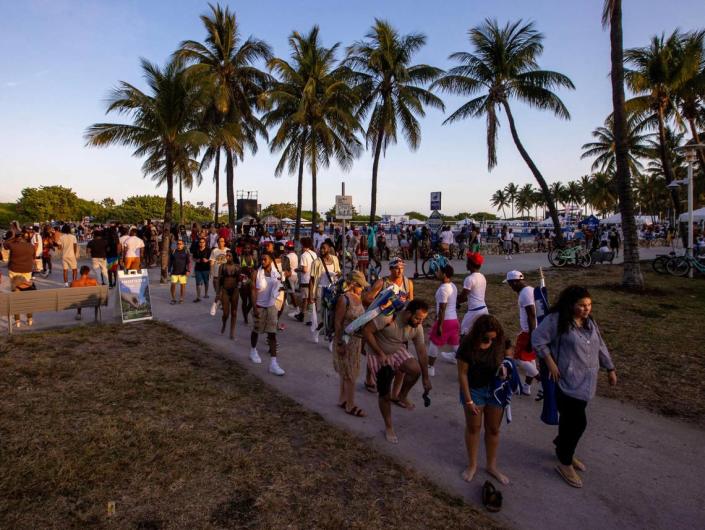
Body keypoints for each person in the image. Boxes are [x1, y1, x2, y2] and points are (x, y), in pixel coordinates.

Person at [532, 285, 617, 489]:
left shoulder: (590, 322)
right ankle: (565, 461)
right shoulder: (557, 320)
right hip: (565, 381)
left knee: (572, 422)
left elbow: (600, 345)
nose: (586, 309)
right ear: (571, 305)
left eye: (589, 305)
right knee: (578, 422)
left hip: (587, 381)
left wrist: (610, 368)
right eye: (581, 305)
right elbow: (537, 340)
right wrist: (550, 362)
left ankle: (563, 446)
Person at [362, 299, 432, 444]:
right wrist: (380, 353)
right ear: (407, 313)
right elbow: (367, 331)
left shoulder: (416, 327)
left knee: (415, 370)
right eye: (418, 318)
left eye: (422, 319)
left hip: (396, 350)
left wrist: (426, 378)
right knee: (384, 392)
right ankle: (388, 426)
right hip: (377, 352)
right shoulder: (388, 317)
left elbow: (422, 352)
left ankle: (401, 396)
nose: (420, 322)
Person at [456, 314, 511, 484]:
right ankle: (472, 465)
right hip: (474, 390)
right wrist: (469, 400)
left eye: (493, 337)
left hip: (495, 389)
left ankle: (491, 466)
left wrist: (506, 365)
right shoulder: (467, 344)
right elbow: (462, 374)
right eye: (486, 337)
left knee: (493, 429)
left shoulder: (499, 340)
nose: (490, 340)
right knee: (474, 428)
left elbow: (509, 352)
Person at [363, 256, 414, 392]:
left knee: (399, 350)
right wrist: (382, 306)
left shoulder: (407, 283)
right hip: (382, 321)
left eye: (402, 268)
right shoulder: (382, 283)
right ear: (390, 269)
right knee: (376, 349)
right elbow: (367, 299)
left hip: (399, 323)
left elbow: (411, 302)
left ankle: (394, 389)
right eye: (396, 268)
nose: (399, 271)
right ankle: (369, 378)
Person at [333, 270, 369, 417]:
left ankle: (343, 399)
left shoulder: (359, 297)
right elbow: (337, 322)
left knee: (348, 372)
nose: (363, 288)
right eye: (360, 285)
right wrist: (340, 343)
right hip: (345, 340)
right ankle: (350, 404)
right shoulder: (344, 299)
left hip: (356, 341)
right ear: (353, 284)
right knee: (350, 373)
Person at [250, 251, 286, 376]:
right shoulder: (256, 273)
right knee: (256, 330)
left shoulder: (276, 274)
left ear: (271, 260)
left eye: (265, 259)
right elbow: (253, 291)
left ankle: (273, 363)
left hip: (271, 307)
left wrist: (279, 306)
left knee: (272, 333)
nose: (262, 261)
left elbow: (281, 289)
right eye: (261, 259)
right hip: (259, 306)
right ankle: (253, 350)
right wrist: (254, 307)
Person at [504, 270, 539, 395]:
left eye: (509, 284)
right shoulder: (530, 289)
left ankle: (541, 380)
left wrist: (531, 336)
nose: (510, 287)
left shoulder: (525, 294)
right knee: (530, 359)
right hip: (533, 329)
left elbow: (532, 314)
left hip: (529, 331)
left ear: (514, 282)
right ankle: (526, 387)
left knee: (518, 358)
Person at [427, 264, 460, 377]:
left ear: (444, 274)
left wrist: (439, 325)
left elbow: (442, 309)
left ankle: (430, 367)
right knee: (455, 344)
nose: (437, 273)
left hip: (445, 321)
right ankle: (468, 362)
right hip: (454, 320)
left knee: (434, 341)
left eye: (439, 272)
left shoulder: (443, 289)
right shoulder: (453, 286)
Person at [310, 239, 341, 343]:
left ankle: (329, 337)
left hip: (333, 290)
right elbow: (312, 279)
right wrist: (311, 295)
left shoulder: (335, 259)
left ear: (329, 249)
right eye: (321, 248)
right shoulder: (317, 262)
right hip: (321, 291)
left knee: (333, 315)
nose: (322, 250)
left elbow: (339, 273)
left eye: (324, 248)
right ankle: (319, 331)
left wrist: (336, 275)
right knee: (324, 316)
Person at [458, 252, 489, 338]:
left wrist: (455, 301)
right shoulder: (482, 277)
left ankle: (461, 351)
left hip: (474, 310)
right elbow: (471, 296)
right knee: (480, 334)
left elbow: (463, 297)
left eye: (467, 262)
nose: (466, 264)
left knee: (464, 332)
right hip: (483, 309)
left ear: (471, 265)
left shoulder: (469, 279)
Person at [218, 250, 241, 339]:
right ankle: (224, 323)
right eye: (226, 256)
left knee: (234, 312)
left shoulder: (237, 267)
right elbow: (219, 280)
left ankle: (232, 332)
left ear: (233, 257)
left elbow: (240, 279)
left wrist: (242, 283)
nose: (227, 257)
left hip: (235, 290)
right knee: (226, 313)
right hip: (225, 290)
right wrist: (217, 294)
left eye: (229, 256)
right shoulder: (222, 266)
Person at [294, 237, 317, 324]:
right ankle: (305, 316)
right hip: (313, 279)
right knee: (311, 299)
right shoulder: (314, 254)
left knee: (305, 299)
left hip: (306, 279)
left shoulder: (304, 255)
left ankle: (305, 316)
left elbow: (305, 270)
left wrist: (298, 270)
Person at [168, 239, 191, 305]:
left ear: (183, 245)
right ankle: (173, 298)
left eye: (180, 244)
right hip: (174, 272)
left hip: (183, 272)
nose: (179, 245)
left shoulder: (186, 252)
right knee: (173, 285)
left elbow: (188, 262)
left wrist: (188, 270)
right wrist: (169, 270)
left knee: (182, 286)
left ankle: (181, 298)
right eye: (178, 244)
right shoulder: (173, 251)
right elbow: (170, 262)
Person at [239, 244, 257, 324]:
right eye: (245, 248)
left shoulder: (253, 257)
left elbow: (256, 268)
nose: (247, 249)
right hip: (243, 280)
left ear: (250, 249)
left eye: (248, 248)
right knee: (244, 300)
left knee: (252, 300)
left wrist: (252, 269)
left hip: (251, 279)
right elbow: (238, 269)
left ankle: (246, 312)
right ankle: (245, 318)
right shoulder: (241, 257)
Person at [192, 237, 211, 302]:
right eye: (200, 242)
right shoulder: (196, 250)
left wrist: (207, 260)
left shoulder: (208, 250)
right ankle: (198, 297)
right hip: (198, 269)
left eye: (203, 242)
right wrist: (196, 260)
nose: (201, 243)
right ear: (199, 243)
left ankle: (206, 293)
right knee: (198, 283)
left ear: (205, 243)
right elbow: (193, 258)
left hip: (206, 268)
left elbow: (211, 259)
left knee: (206, 282)